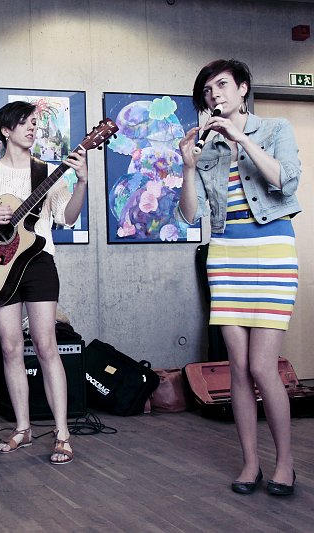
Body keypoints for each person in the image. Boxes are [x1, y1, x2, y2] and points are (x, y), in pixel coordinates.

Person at [178, 59, 301, 496]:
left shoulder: (275, 129)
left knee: (263, 367)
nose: (215, 95)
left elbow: (285, 182)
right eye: (207, 91)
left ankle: (285, 463)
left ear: (243, 88)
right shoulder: (206, 147)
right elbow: (189, 215)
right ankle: (250, 463)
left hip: (272, 252)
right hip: (227, 256)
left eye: (222, 85)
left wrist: (241, 139)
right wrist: (188, 167)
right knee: (238, 367)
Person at [0, 101, 88, 463]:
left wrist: (81, 182)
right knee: (11, 348)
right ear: (5, 130)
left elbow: (67, 217)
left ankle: (62, 433)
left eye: (35, 123)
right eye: (25, 122)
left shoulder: (47, 173)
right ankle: (23, 429)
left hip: (39, 262)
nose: (32, 128)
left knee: (46, 345)